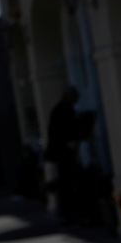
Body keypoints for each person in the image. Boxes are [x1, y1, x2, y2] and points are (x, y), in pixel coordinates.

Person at [45, 85, 81, 223]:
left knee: (63, 184)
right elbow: (61, 133)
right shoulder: (63, 110)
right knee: (64, 184)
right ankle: (67, 213)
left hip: (60, 153)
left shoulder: (62, 109)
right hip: (61, 154)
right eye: (74, 98)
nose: (75, 100)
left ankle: (66, 212)